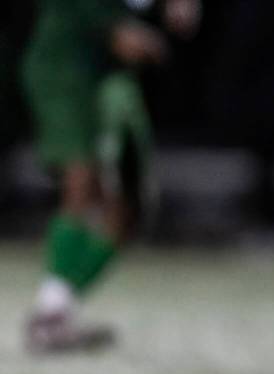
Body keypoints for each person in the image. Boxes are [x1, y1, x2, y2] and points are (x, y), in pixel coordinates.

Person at [20, 0, 200, 353]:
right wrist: (124, 30)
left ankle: (57, 309)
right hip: (64, 72)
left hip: (113, 82)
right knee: (82, 178)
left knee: (128, 210)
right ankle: (51, 313)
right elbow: (122, 35)